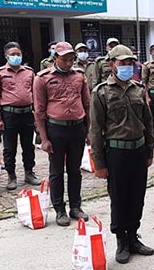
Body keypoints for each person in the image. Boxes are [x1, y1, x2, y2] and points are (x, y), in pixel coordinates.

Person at [90, 45, 154, 263]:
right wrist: (99, 163)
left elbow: (147, 121)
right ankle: (121, 241)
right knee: (119, 198)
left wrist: (149, 150)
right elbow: (95, 129)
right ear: (112, 65)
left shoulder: (138, 88)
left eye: (130, 63)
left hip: (137, 150)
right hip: (116, 153)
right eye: (122, 63)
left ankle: (133, 237)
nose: (127, 66)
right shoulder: (101, 92)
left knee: (137, 196)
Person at [34, 42, 90, 226]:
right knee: (56, 171)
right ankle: (59, 209)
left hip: (77, 128)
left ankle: (76, 206)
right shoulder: (42, 78)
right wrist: (44, 138)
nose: (68, 63)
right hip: (56, 129)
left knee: (75, 170)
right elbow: (39, 111)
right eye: (64, 59)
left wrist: (89, 130)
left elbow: (87, 105)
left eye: (71, 59)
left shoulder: (80, 76)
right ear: (54, 58)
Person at [0, 42, 38, 190]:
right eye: (13, 54)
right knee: (9, 148)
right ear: (6, 56)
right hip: (9, 115)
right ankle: (11, 176)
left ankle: (29, 173)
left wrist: (37, 116)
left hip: (27, 114)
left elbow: (35, 96)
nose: (16, 57)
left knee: (28, 146)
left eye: (18, 54)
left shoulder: (29, 72)